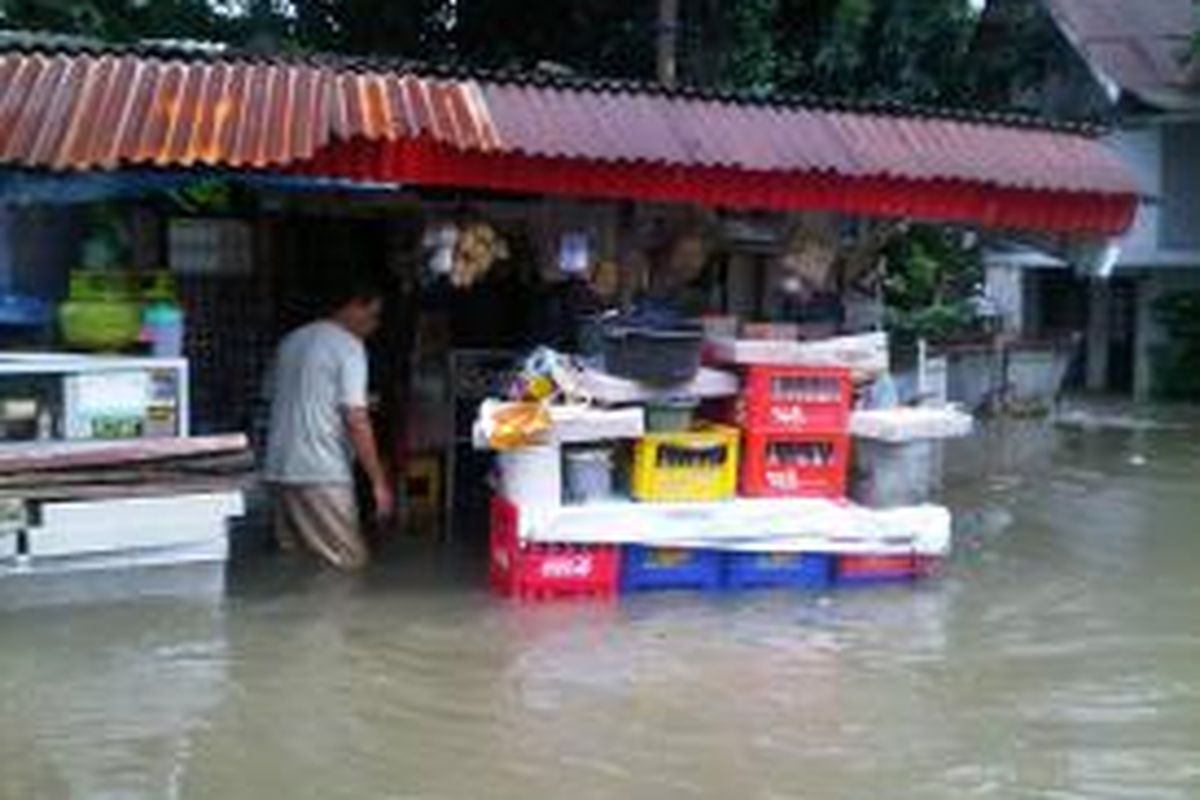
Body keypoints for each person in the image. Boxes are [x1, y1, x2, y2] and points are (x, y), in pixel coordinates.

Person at [263, 279, 394, 570]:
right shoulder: (348, 346)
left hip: (279, 470)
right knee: (349, 566)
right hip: (321, 473)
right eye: (372, 315)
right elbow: (355, 418)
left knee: (292, 565)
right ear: (353, 306)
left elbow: (283, 397)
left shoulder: (291, 341)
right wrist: (378, 482)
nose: (374, 326)